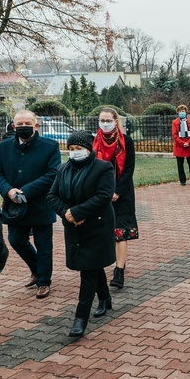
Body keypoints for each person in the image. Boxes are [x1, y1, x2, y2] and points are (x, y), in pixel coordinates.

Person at [47, 131, 116, 337]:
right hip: (74, 227)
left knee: (88, 271)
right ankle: (105, 298)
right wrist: (67, 213)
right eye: (71, 149)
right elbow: (52, 195)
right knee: (91, 265)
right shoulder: (62, 169)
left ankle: (80, 318)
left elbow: (103, 196)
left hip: (97, 225)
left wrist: (77, 212)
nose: (75, 152)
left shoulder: (103, 168)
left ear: (89, 148)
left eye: (79, 149)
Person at [0, 110, 60, 298]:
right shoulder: (4, 146)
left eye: (27, 123)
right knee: (16, 240)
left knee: (44, 245)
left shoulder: (50, 146)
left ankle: (44, 282)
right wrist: (8, 190)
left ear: (36, 125)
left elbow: (52, 174)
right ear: (13, 126)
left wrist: (25, 191)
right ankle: (37, 269)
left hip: (40, 204)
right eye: (19, 124)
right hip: (14, 205)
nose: (23, 127)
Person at [92, 107, 137, 289]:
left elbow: (129, 168)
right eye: (102, 120)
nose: (105, 123)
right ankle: (107, 264)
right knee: (104, 232)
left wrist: (117, 191)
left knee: (121, 233)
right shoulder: (93, 142)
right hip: (100, 194)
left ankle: (119, 270)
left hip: (122, 193)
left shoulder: (126, 141)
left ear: (115, 121)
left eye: (108, 120)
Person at [172, 105, 190, 186]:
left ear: (186, 112)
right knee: (180, 164)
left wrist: (188, 142)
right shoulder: (175, 122)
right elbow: (174, 134)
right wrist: (182, 143)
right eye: (180, 112)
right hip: (179, 145)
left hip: (189, 144)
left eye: (183, 111)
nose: (181, 113)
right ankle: (182, 180)